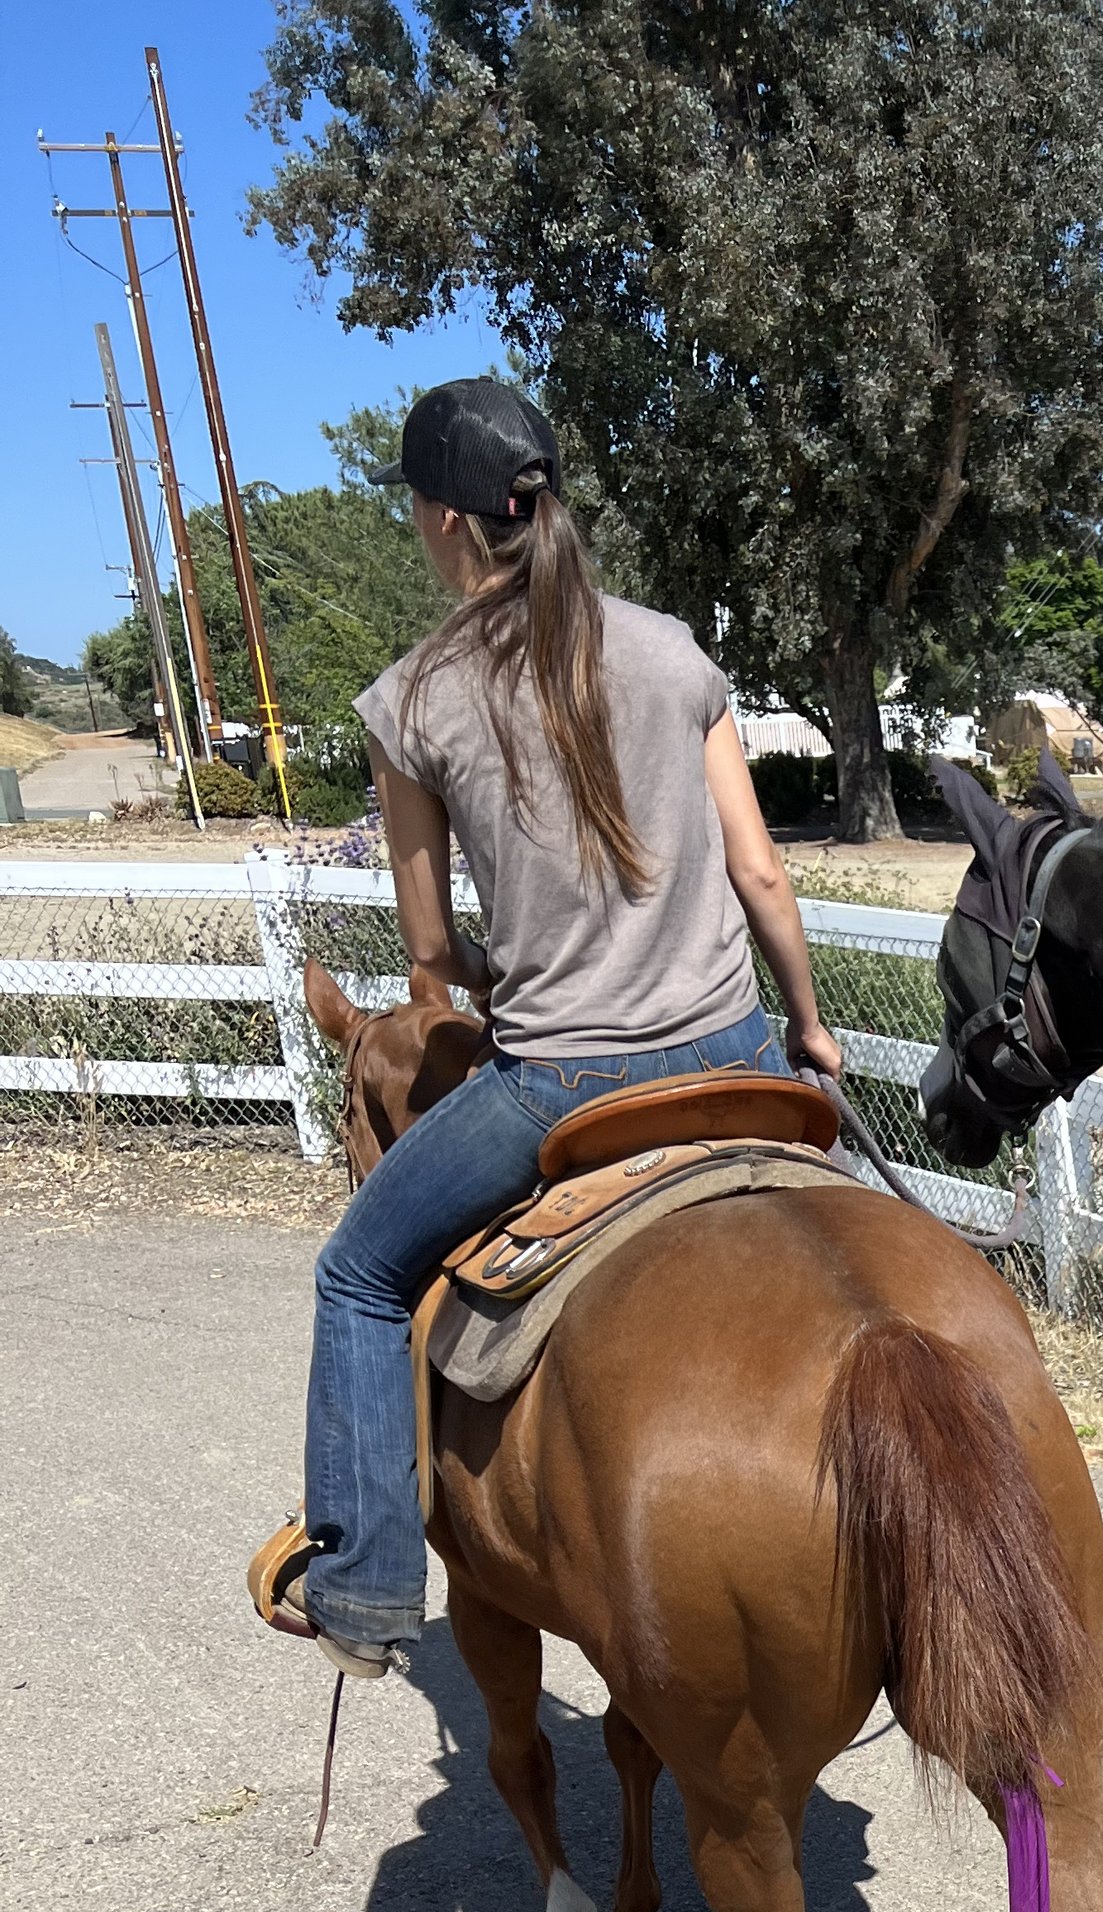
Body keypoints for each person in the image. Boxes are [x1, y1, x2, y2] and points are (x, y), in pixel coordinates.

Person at [251, 375, 844, 1675]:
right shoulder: (675, 652)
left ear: (444, 523)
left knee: (356, 1272)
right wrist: (811, 1031)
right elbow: (761, 878)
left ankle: (361, 1585)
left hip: (557, 1086)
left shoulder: (413, 703)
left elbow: (426, 957)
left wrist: (514, 949)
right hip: (738, 1046)